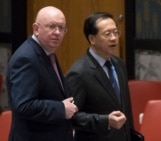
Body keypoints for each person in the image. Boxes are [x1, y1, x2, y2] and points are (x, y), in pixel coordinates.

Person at [6, 6, 78, 141]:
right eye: (51, 26)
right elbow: (24, 105)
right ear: (36, 29)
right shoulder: (26, 58)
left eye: (61, 28)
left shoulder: (46, 51)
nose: (57, 32)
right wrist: (61, 109)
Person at [65, 12, 134, 141]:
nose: (113, 38)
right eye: (107, 34)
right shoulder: (79, 73)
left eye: (115, 32)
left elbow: (126, 109)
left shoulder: (119, 64)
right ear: (92, 39)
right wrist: (105, 121)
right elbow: (72, 117)